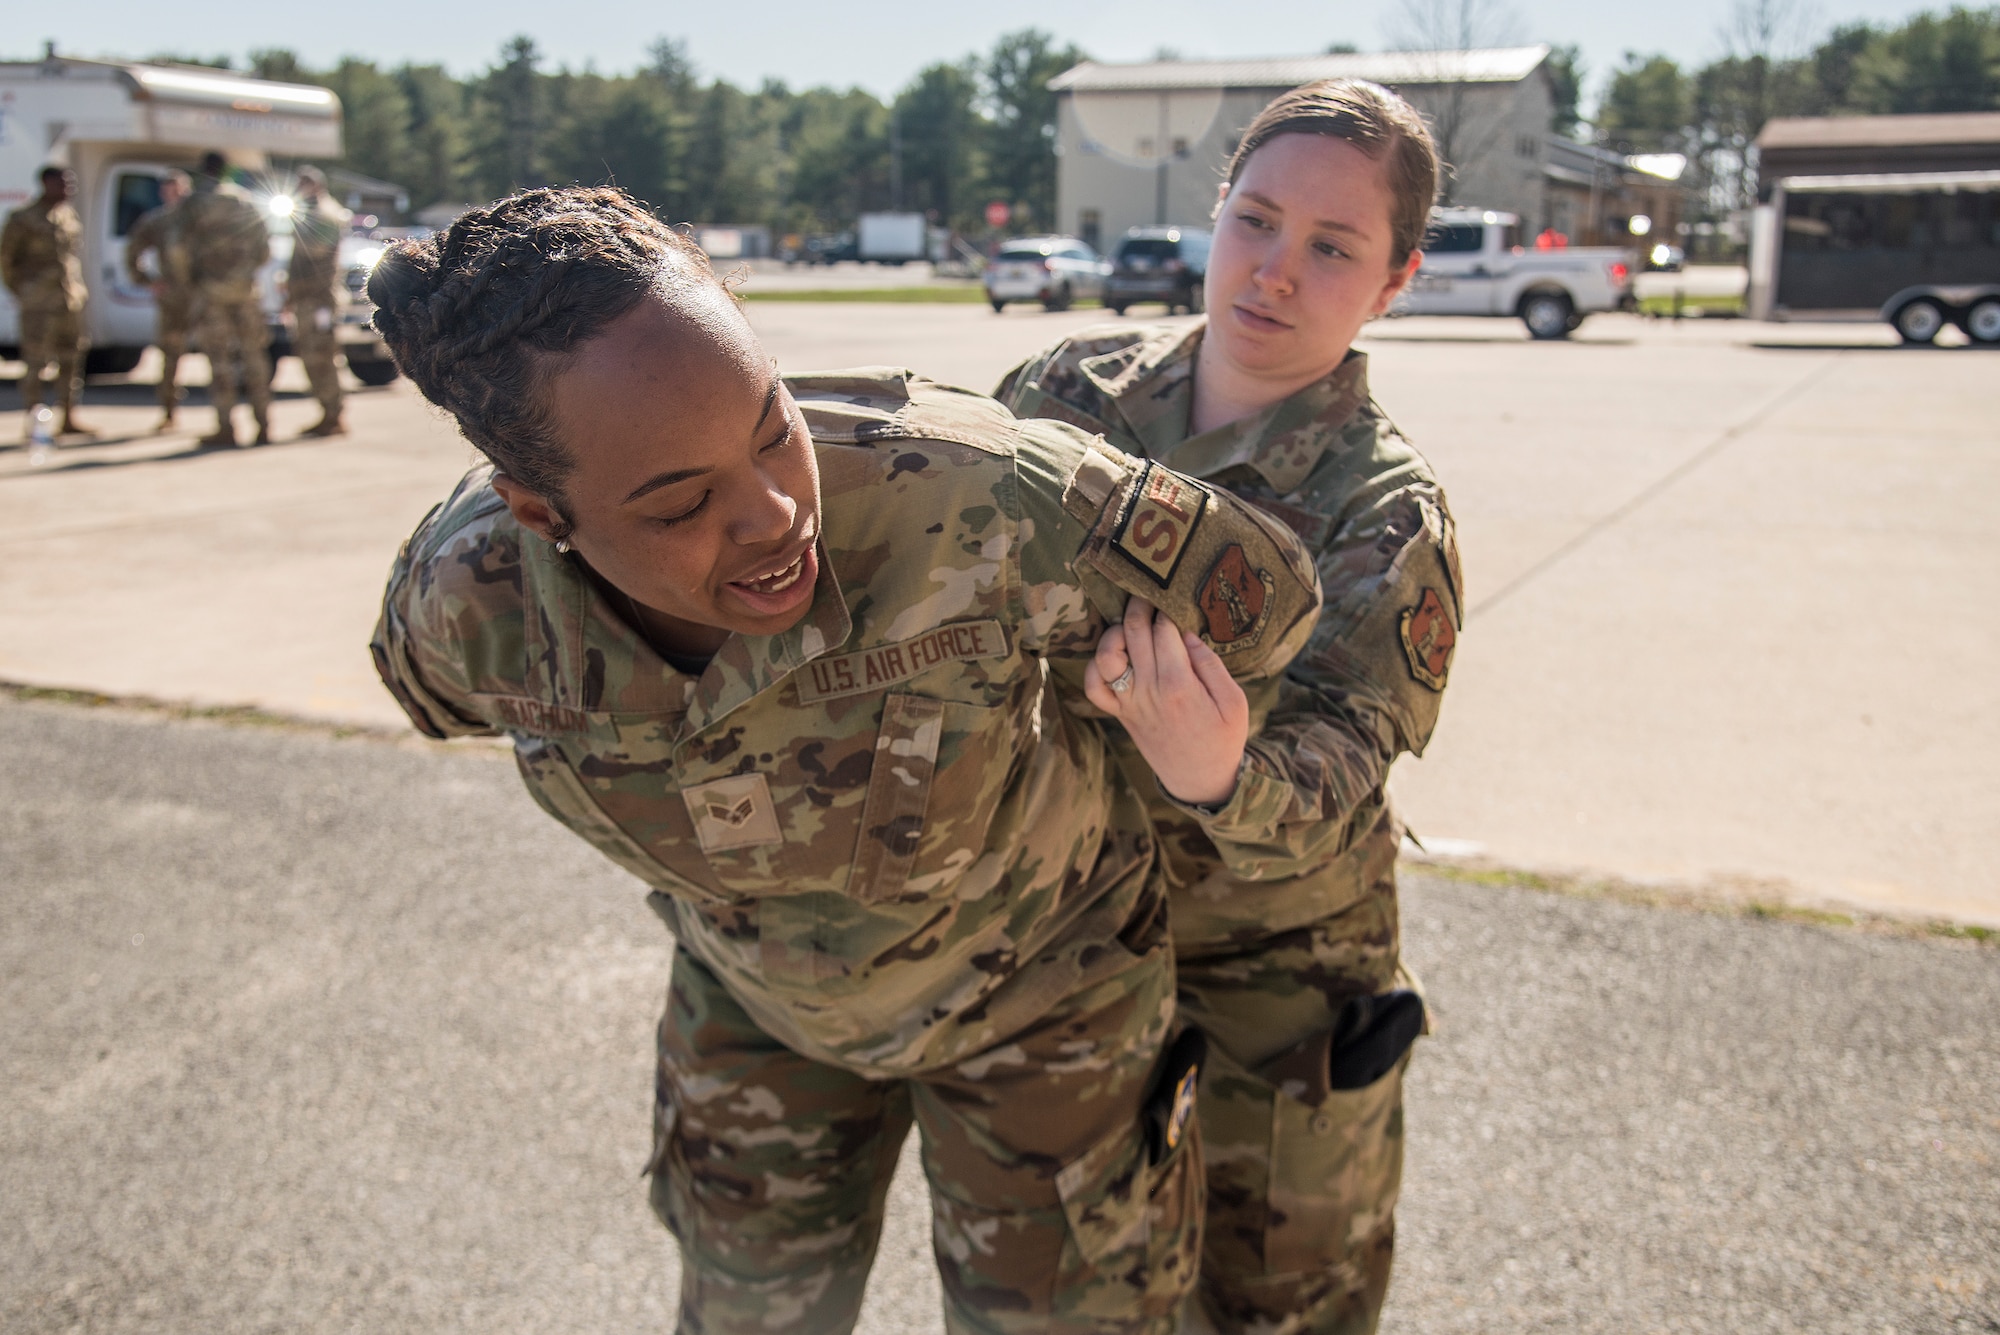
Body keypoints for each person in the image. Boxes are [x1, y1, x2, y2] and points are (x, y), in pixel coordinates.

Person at [366, 186, 1326, 1334]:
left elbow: (1262, 604)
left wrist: (1134, 699)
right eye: (680, 505)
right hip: (757, 1002)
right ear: (539, 513)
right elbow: (431, 698)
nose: (773, 512)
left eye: (774, 426)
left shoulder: (980, 494)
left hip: (1039, 1000)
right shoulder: (468, 600)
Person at [996, 79, 1463, 1335]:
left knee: (1274, 1311)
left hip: (1274, 994)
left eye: (1330, 247)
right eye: (1254, 221)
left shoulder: (1384, 514)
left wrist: (1215, 770)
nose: (1272, 271)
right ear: (1214, 215)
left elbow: (1337, 777)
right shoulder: (1065, 399)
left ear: (1395, 279)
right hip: (1074, 956)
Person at [182, 151, 273, 446]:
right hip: (246, 292)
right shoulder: (243, 201)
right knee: (254, 359)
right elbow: (264, 247)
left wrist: (190, 282)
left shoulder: (194, 204)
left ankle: (226, 428)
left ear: (202, 171)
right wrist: (245, 273)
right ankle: (263, 426)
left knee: (220, 361)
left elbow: (175, 248)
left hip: (212, 294)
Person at [1, 165, 95, 438]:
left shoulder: (67, 216)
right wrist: (25, 292)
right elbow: (7, 262)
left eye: (71, 184)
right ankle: (34, 422)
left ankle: (68, 417)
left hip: (69, 300)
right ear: (46, 184)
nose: (69, 189)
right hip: (38, 304)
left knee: (71, 358)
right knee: (35, 363)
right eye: (63, 184)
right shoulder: (23, 219)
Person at [124, 168, 193, 432]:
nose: (175, 193)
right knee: (170, 356)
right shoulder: (157, 221)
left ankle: (224, 418)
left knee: (218, 353)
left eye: (179, 188)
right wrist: (147, 281)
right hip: (173, 299)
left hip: (202, 296)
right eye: (170, 188)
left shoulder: (198, 220)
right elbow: (133, 251)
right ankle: (169, 412)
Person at [286, 166, 351, 437]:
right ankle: (327, 411)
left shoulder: (323, 213)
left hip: (319, 298)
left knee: (322, 354)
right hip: (307, 297)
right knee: (312, 354)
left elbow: (313, 249)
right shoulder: (309, 213)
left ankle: (333, 413)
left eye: (304, 184)